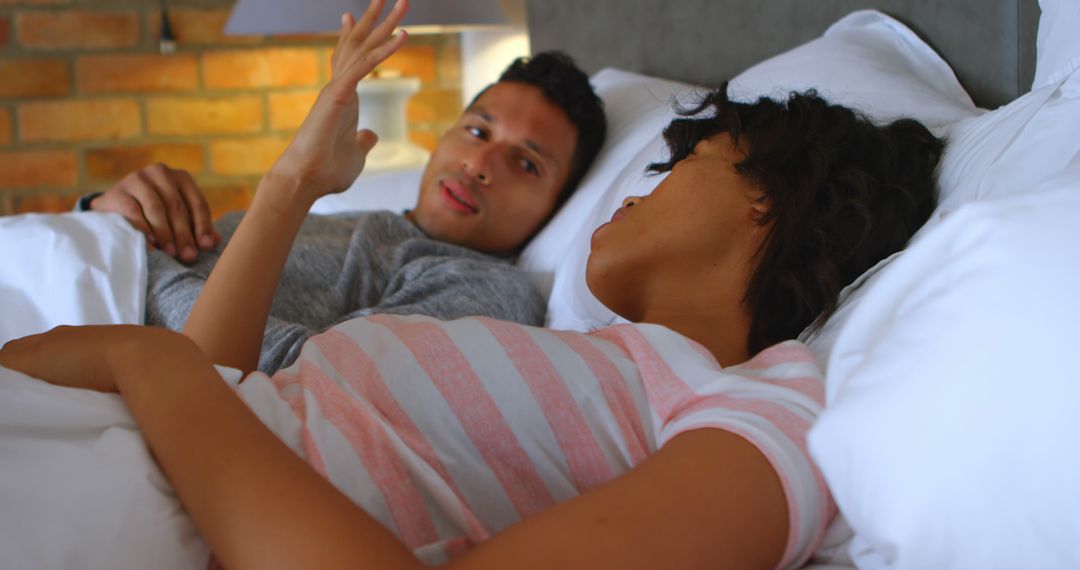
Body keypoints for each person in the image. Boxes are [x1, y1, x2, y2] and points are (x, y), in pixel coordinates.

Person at [0, 0, 945, 567]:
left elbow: (199, 392)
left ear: (764, 199)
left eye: (671, 166)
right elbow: (231, 395)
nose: (639, 190)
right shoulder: (583, 363)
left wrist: (148, 361)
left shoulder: (765, 408)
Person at [79, 40, 606, 374]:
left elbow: (293, 382)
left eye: (527, 163)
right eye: (476, 130)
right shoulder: (346, 223)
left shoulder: (486, 290)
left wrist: (140, 260)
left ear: (556, 208)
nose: (480, 163)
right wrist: (116, 214)